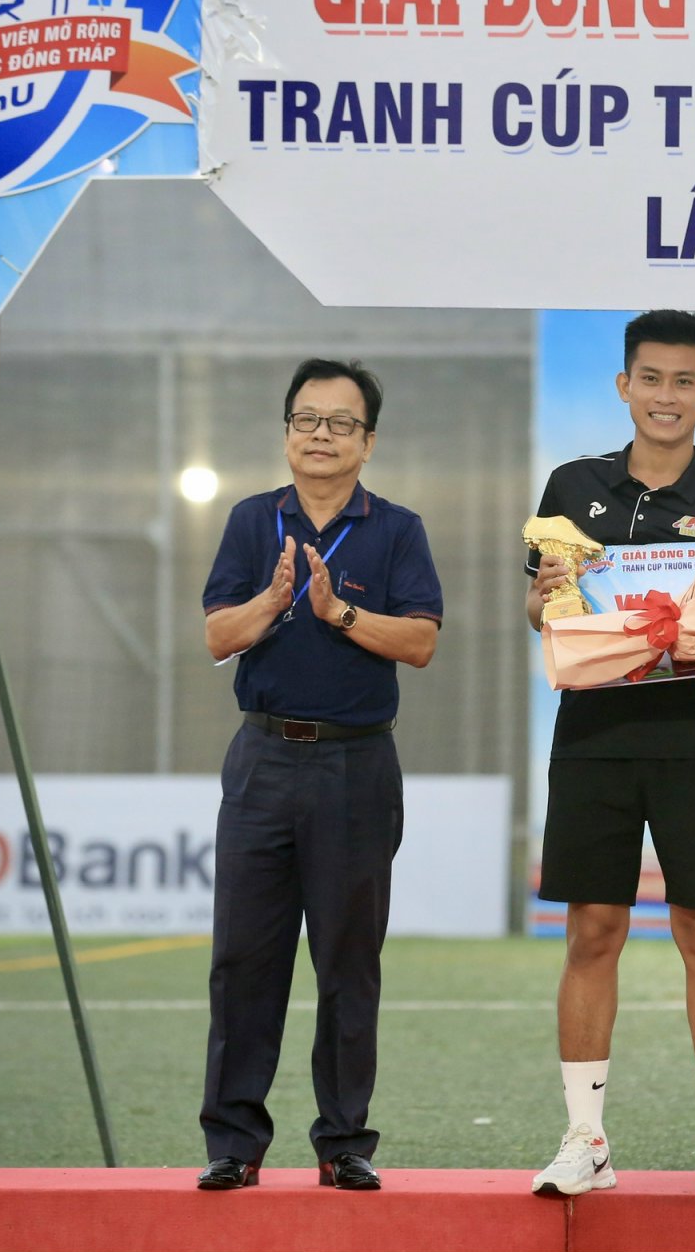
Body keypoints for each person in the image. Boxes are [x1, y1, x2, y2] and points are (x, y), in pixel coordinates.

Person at [523, 309, 695, 1200]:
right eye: (651, 378)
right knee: (593, 929)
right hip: (592, 733)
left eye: (684, 381)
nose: (667, 396)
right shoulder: (570, 484)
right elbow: (540, 612)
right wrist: (549, 596)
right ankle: (584, 1139)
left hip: (693, 732)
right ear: (625, 385)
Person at [194, 358, 443, 1193]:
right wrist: (272, 601)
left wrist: (338, 610)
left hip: (355, 763)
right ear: (287, 433)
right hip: (262, 759)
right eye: (307, 419)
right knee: (243, 958)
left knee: (347, 960)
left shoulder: (396, 528)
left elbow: (420, 641)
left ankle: (344, 1141)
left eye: (341, 423)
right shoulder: (250, 519)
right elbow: (218, 636)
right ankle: (234, 1141)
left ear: (368, 441)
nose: (321, 435)